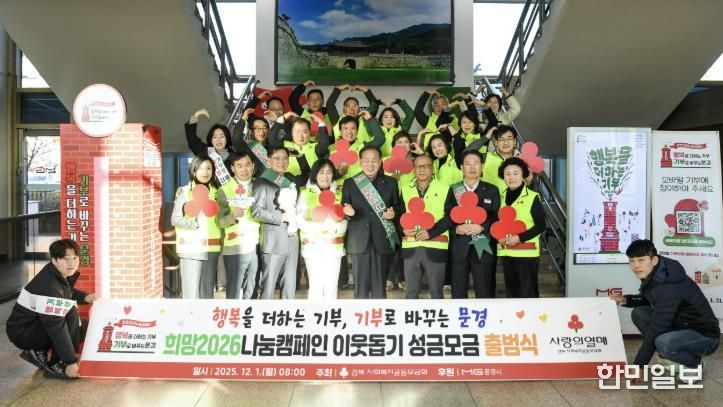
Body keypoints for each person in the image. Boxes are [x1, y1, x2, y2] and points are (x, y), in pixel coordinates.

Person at [611, 240, 720, 370]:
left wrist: (639, 365)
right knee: (639, 313)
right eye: (632, 261)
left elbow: (657, 327)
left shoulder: (668, 284)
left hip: (705, 336)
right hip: (681, 325)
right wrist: (626, 300)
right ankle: (670, 355)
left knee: (663, 343)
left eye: (641, 260)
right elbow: (652, 298)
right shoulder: (658, 272)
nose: (635, 266)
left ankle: (695, 363)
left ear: (654, 260)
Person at [6, 239, 97, 379]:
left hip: (34, 324)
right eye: (66, 259)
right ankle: (57, 364)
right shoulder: (49, 285)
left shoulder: (55, 273)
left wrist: (84, 297)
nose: (72, 263)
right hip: (23, 332)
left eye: (75, 258)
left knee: (88, 327)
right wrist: (70, 361)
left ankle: (39, 351)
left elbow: (64, 292)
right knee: (68, 314)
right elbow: (56, 326)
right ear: (54, 260)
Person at [342, 146, 401, 299]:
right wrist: (348, 213)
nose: (370, 164)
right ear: (360, 162)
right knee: (360, 289)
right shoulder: (350, 183)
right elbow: (344, 208)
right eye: (366, 160)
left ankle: (378, 313)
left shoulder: (391, 183)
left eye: (374, 160)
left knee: (379, 287)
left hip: (382, 238)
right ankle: (360, 314)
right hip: (358, 240)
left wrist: (394, 213)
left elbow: (398, 207)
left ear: (380, 162)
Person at [399, 154, 455, 299]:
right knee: (411, 294)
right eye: (419, 166)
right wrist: (403, 230)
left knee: (436, 293)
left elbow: (450, 217)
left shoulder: (445, 189)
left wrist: (430, 232)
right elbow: (400, 216)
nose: (422, 169)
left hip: (436, 246)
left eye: (426, 166)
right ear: (413, 169)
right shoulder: (405, 190)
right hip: (411, 247)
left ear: (433, 168)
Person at [251, 146, 302, 299]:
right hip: (273, 241)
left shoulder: (290, 180)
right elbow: (256, 211)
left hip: (292, 238)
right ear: (269, 160)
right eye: (277, 158)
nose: (281, 161)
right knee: (269, 286)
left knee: (290, 285)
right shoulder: (262, 182)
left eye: (285, 158)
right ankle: (264, 313)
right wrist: (281, 217)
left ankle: (287, 312)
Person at [449, 150, 500, 298]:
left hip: (483, 244)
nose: (472, 167)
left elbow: (496, 216)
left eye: (476, 163)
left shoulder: (492, 190)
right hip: (459, 246)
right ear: (461, 167)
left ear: (482, 166)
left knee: (485, 290)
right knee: (458, 291)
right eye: (468, 164)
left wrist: (482, 227)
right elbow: (447, 215)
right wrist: (456, 228)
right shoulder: (453, 189)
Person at [296, 159, 348, 299]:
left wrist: (336, 228)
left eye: (329, 172)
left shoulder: (339, 194)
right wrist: (320, 227)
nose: (325, 176)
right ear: (315, 174)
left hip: (334, 247)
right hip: (313, 246)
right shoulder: (305, 194)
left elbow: (346, 219)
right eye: (321, 172)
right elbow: (300, 220)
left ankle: (331, 313)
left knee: (332, 287)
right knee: (316, 287)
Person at [171, 156, 221, 299]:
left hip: (211, 249)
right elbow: (175, 219)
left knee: (207, 295)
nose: (205, 172)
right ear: (193, 171)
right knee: (191, 295)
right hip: (191, 249)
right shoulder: (184, 191)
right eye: (201, 168)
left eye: (209, 168)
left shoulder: (217, 193)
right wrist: (194, 224)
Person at [497, 157, 545, 298]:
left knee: (528, 293)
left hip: (526, 253)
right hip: (506, 253)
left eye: (515, 173)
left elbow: (541, 225)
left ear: (523, 175)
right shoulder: (501, 197)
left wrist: (520, 238)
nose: (511, 177)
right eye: (507, 174)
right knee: (512, 294)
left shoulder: (532, 196)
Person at [216, 151, 260, 299]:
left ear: (253, 166)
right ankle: (234, 313)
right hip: (235, 246)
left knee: (252, 288)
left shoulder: (259, 186)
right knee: (234, 290)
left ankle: (250, 313)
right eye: (239, 166)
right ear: (233, 168)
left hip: (256, 244)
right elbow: (220, 221)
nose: (244, 169)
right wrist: (233, 216)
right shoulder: (224, 189)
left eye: (247, 165)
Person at [329, 110, 385, 183]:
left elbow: (380, 138)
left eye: (353, 128)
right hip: (340, 187)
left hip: (361, 185)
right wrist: (339, 173)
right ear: (340, 131)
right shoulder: (331, 148)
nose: (349, 132)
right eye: (346, 128)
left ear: (357, 131)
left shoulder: (364, 147)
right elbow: (325, 173)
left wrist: (369, 118)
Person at [269, 112, 330, 176]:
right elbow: (272, 139)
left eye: (304, 132)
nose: (300, 136)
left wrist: (320, 122)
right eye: (297, 131)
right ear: (292, 133)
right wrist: (283, 117)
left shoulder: (315, 147)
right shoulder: (284, 146)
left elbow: (324, 143)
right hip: (286, 180)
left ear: (309, 133)